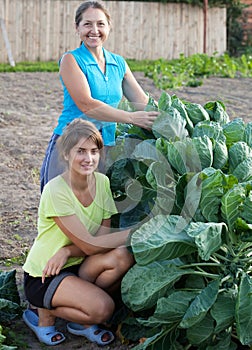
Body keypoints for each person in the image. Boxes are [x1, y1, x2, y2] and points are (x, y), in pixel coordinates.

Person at [22, 119, 134, 346]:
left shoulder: (101, 183)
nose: (89, 158)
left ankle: (80, 318)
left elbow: (100, 239)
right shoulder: (56, 190)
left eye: (94, 151)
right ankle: (44, 314)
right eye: (80, 151)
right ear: (65, 154)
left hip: (78, 262)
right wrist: (134, 233)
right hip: (46, 273)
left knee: (123, 256)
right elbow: (91, 245)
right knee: (104, 309)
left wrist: (67, 251)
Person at [40, 0, 159, 192]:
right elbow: (86, 104)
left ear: (109, 27)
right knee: (60, 204)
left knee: (93, 209)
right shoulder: (71, 60)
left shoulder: (118, 63)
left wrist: (170, 120)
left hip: (103, 147)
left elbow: (142, 103)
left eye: (100, 24)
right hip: (72, 144)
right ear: (77, 28)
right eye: (87, 24)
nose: (94, 30)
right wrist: (131, 118)